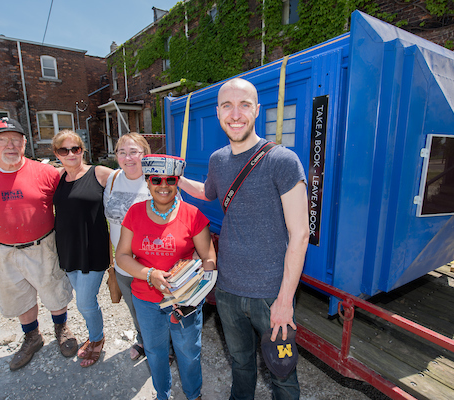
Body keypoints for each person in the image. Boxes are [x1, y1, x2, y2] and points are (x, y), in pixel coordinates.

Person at [178, 78, 310, 399]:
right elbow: (207, 192)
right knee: (240, 366)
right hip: (227, 291)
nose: (235, 114)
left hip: (270, 295)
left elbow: (301, 233)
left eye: (244, 105)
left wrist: (284, 302)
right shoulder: (218, 160)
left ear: (257, 110)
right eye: (227, 106)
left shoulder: (282, 160)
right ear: (218, 112)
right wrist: (173, 177)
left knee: (282, 374)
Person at [0, 117, 77, 371]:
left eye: (15, 139)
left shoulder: (46, 173)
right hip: (4, 251)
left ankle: (62, 328)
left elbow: (73, 194)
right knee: (19, 297)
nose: (10, 145)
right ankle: (32, 337)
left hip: (43, 245)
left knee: (54, 290)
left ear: (25, 142)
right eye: (2, 140)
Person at [115, 154, 216, 400]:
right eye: (156, 179)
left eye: (170, 179)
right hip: (146, 300)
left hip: (184, 304)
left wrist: (191, 293)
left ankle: (194, 395)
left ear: (177, 182)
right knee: (155, 352)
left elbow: (209, 259)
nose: (163, 185)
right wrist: (149, 274)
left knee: (188, 352)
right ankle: (163, 395)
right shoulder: (135, 213)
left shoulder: (192, 215)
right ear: (147, 182)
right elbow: (122, 256)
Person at [52, 130, 113, 368]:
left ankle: (97, 338)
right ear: (57, 154)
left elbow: (131, 179)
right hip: (68, 249)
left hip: (92, 249)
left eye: (75, 149)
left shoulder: (99, 173)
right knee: (83, 300)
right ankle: (94, 333)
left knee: (85, 303)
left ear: (82, 150)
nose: (70, 154)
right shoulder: (57, 177)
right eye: (64, 150)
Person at [103, 133, 152, 361]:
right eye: (122, 152)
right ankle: (143, 341)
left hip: (151, 264)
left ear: (145, 154)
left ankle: (164, 346)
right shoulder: (113, 179)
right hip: (122, 263)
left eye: (134, 151)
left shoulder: (156, 179)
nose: (128, 157)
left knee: (157, 309)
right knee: (135, 309)